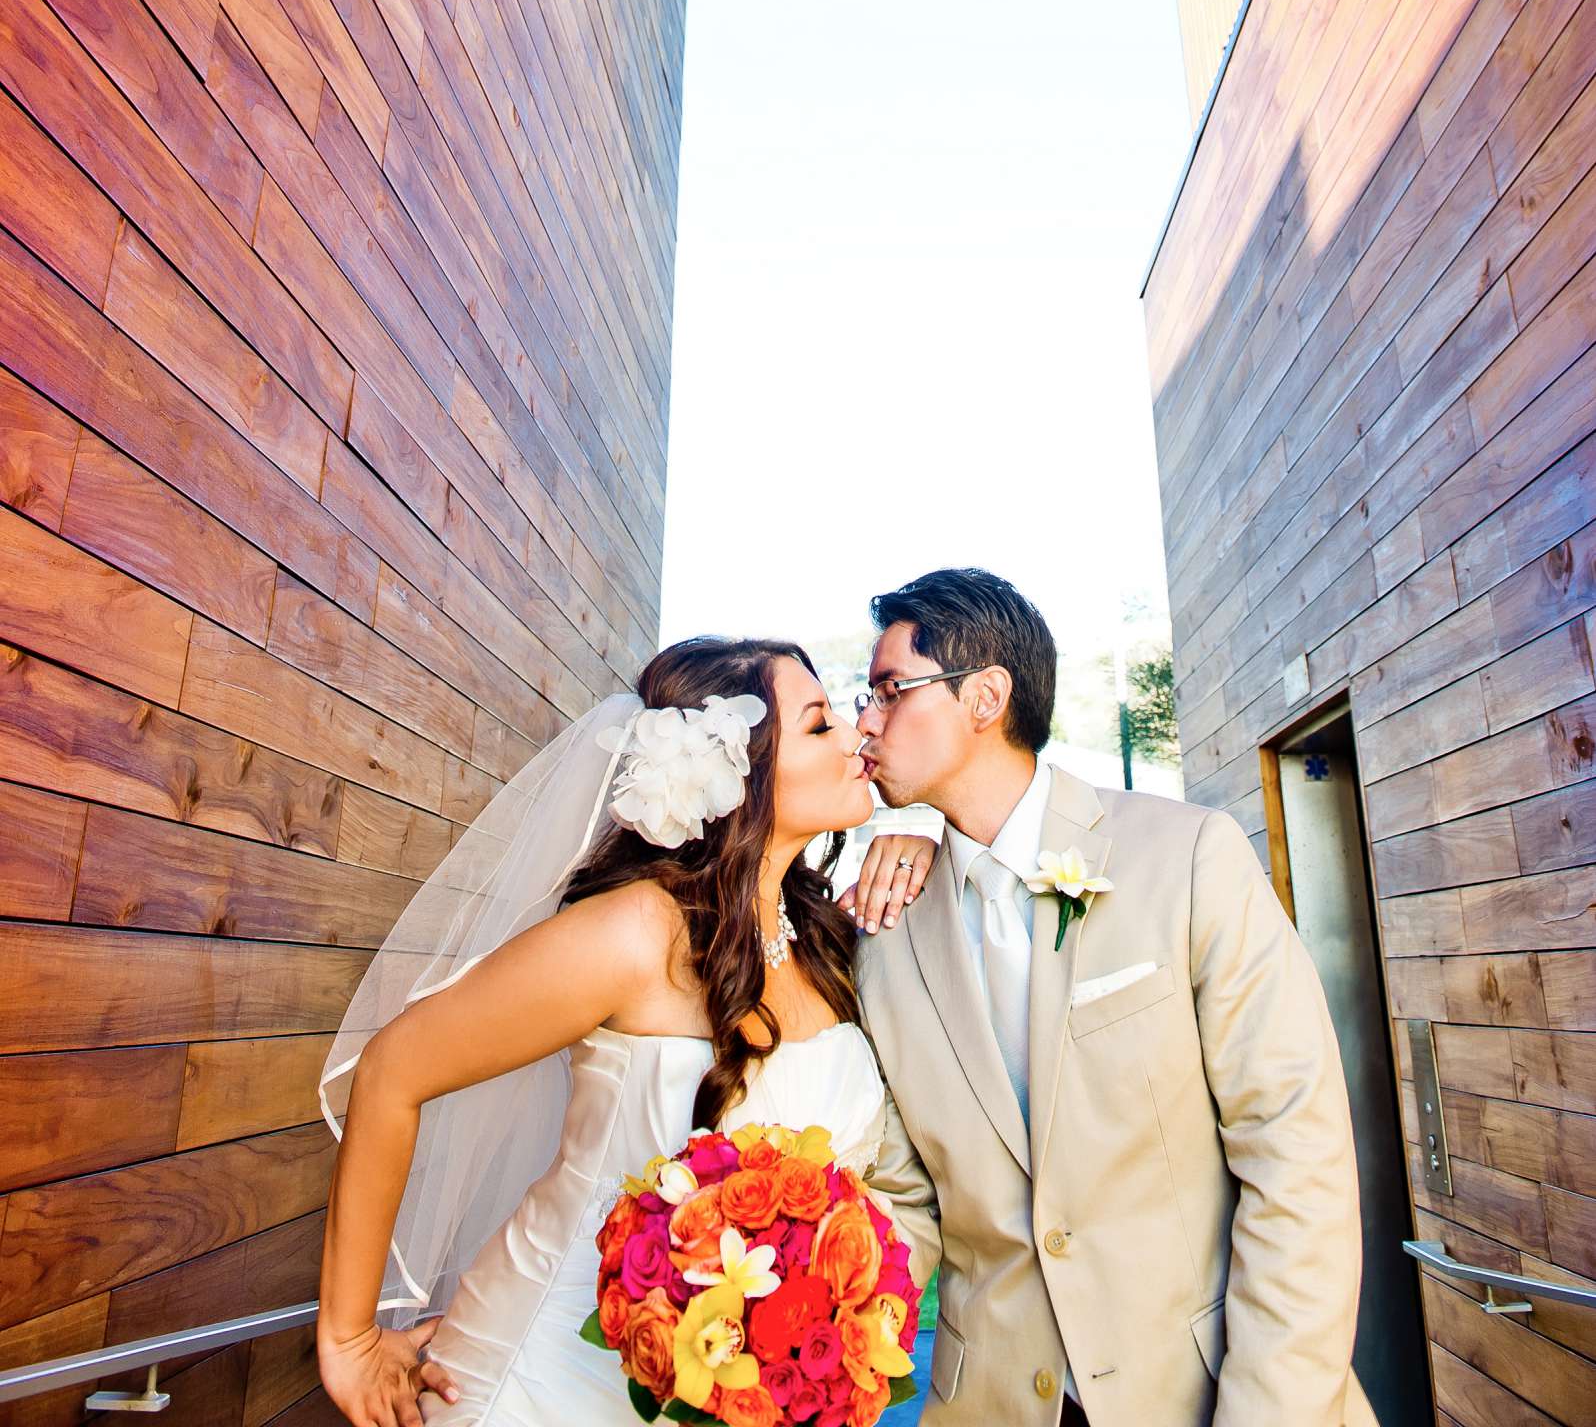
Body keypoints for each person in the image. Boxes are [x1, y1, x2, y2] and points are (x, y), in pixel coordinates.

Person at [315, 635, 938, 1427]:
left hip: (731, 1395)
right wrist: (348, 1337)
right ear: (736, 769)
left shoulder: (824, 941)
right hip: (551, 1382)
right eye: (819, 724)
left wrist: (927, 848)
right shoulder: (638, 931)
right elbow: (392, 1071)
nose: (857, 734)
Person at [847, 566, 1375, 1427]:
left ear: (985, 698)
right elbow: (908, 1200)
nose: (865, 721)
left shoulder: (1187, 856)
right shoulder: (884, 935)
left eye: (889, 690)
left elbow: (1295, 1155)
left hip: (1209, 1394)